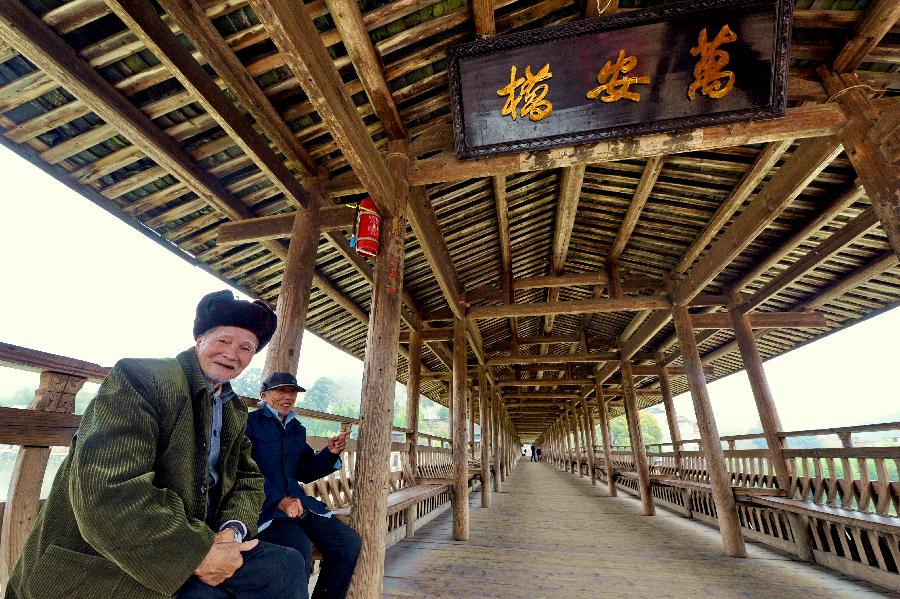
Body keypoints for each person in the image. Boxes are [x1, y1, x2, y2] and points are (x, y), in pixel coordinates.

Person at [5, 290, 309, 599]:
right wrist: (198, 554)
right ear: (199, 339)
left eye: (246, 347)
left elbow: (249, 479)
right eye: (223, 341)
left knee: (286, 564)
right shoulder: (143, 378)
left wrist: (233, 530)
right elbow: (109, 490)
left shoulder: (233, 410)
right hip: (121, 553)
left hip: (206, 537)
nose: (233, 354)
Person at [245, 371, 361, 599]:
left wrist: (330, 453)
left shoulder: (297, 429)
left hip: (300, 506)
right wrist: (278, 500)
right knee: (299, 551)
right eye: (281, 390)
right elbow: (244, 472)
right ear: (264, 395)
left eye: (293, 391)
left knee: (348, 543)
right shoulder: (250, 424)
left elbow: (307, 471)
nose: (288, 396)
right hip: (266, 511)